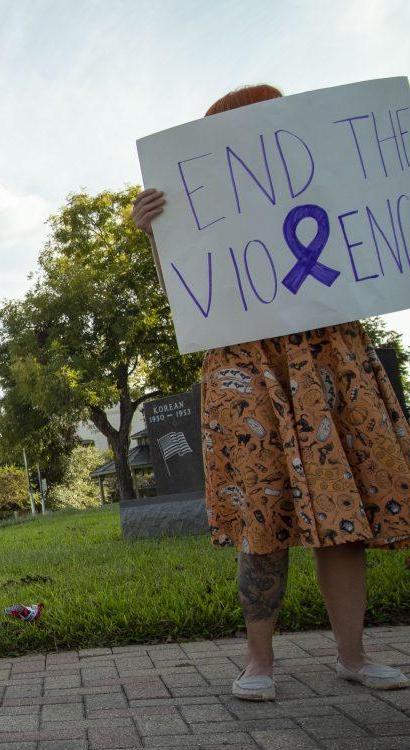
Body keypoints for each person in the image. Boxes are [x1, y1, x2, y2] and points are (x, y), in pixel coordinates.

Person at [133, 84, 410, 702]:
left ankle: (352, 656)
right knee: (262, 511)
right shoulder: (199, 196)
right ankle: (259, 662)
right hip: (244, 364)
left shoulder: (323, 171)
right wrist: (158, 233)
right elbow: (189, 284)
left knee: (342, 510)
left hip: (325, 353)